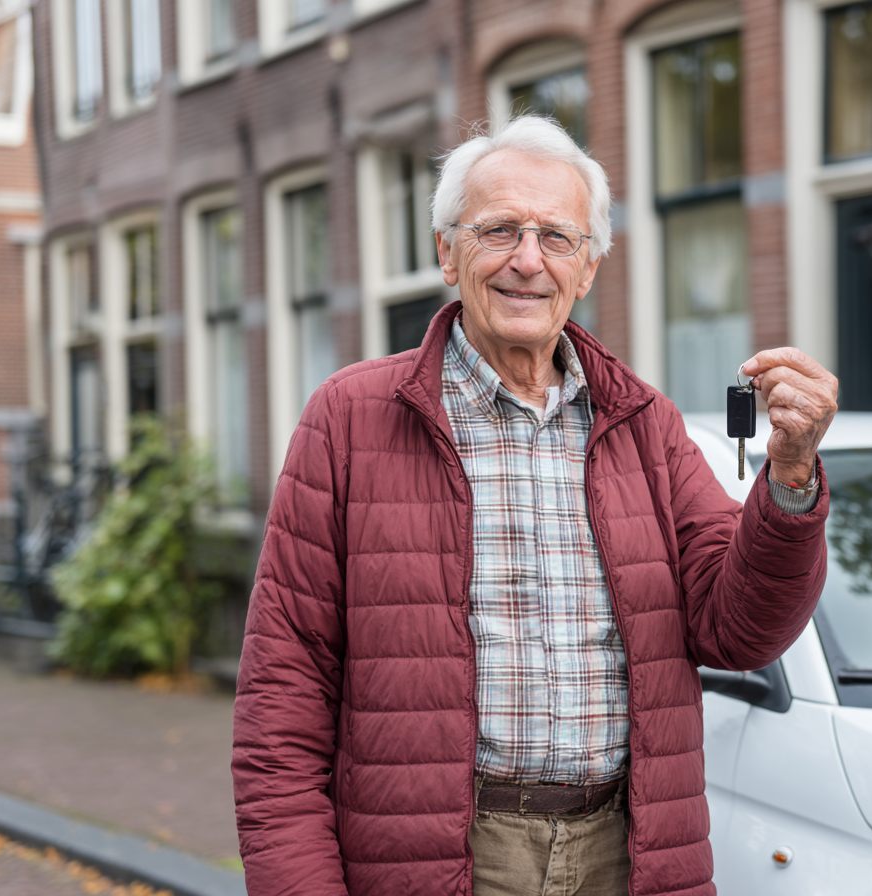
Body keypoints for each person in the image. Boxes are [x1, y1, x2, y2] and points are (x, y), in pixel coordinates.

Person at [231, 116, 838, 896]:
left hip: (630, 854)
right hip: (440, 863)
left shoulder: (644, 424)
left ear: (587, 268)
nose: (528, 260)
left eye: (557, 237)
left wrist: (788, 478)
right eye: (499, 231)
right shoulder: (348, 419)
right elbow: (282, 709)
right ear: (447, 252)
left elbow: (741, 630)